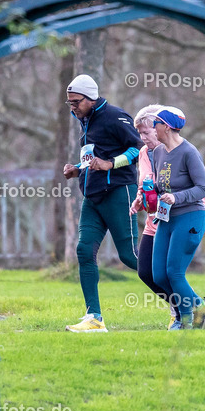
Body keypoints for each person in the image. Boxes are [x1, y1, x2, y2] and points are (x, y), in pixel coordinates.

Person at [61, 74, 142, 333]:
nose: (72, 107)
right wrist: (78, 169)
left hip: (118, 192)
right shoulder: (85, 120)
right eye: (69, 102)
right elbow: (95, 157)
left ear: (91, 98)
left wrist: (111, 164)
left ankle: (187, 302)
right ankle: (94, 318)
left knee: (129, 256)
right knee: (84, 251)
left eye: (76, 102)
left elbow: (137, 149)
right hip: (92, 196)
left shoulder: (115, 117)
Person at [148, 107, 205, 330]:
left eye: (155, 123)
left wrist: (177, 197)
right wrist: (146, 195)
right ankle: (199, 306)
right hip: (166, 218)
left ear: (166, 127)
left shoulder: (189, 152)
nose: (152, 128)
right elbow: (161, 186)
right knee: (159, 275)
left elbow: (203, 188)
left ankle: (186, 319)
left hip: (190, 217)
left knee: (175, 273)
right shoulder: (158, 152)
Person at [130, 104, 179, 329]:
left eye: (146, 132)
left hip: (176, 222)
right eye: (139, 133)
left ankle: (182, 313)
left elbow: (203, 185)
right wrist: (139, 199)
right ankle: (189, 306)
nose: (143, 138)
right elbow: (145, 183)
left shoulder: (179, 151)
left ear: (160, 128)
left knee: (167, 273)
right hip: (153, 222)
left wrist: (183, 208)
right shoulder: (144, 153)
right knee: (145, 272)